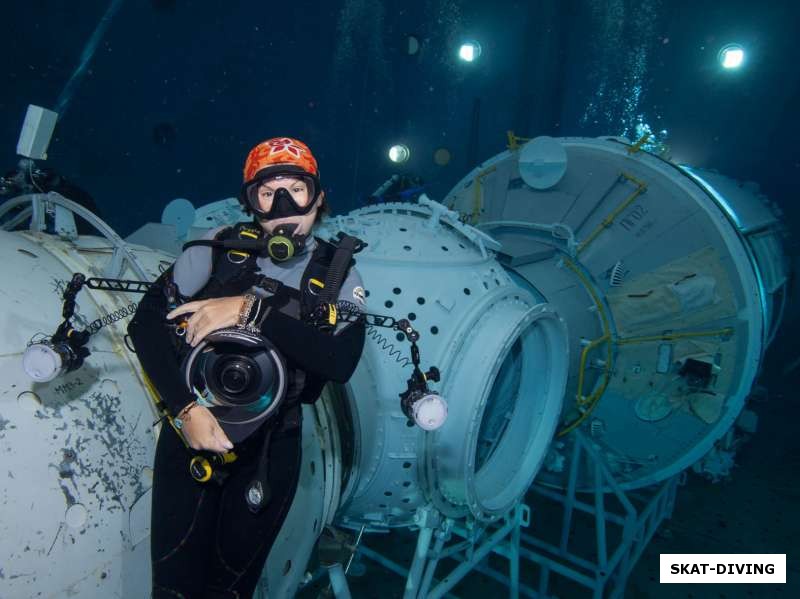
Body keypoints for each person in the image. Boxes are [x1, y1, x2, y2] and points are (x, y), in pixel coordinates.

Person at [127, 137, 366, 598]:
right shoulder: (215, 251)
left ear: (318, 196)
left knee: (232, 589)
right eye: (266, 191)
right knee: (172, 588)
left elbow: (339, 362)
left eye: (295, 189)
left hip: (271, 450)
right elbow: (145, 326)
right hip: (192, 432)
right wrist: (182, 410)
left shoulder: (337, 274)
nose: (282, 205)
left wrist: (250, 311)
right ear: (250, 201)